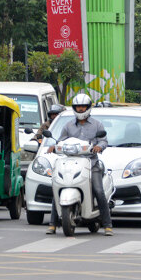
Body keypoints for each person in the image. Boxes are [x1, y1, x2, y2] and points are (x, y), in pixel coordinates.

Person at [44, 93, 114, 236]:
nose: (81, 109)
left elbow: (103, 140)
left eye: (83, 107)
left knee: (99, 191)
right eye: (78, 107)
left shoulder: (97, 124)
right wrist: (54, 146)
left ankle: (107, 225)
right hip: (70, 162)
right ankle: (53, 223)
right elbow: (61, 141)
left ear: (88, 108)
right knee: (58, 186)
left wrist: (99, 147)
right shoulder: (68, 126)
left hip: (91, 163)